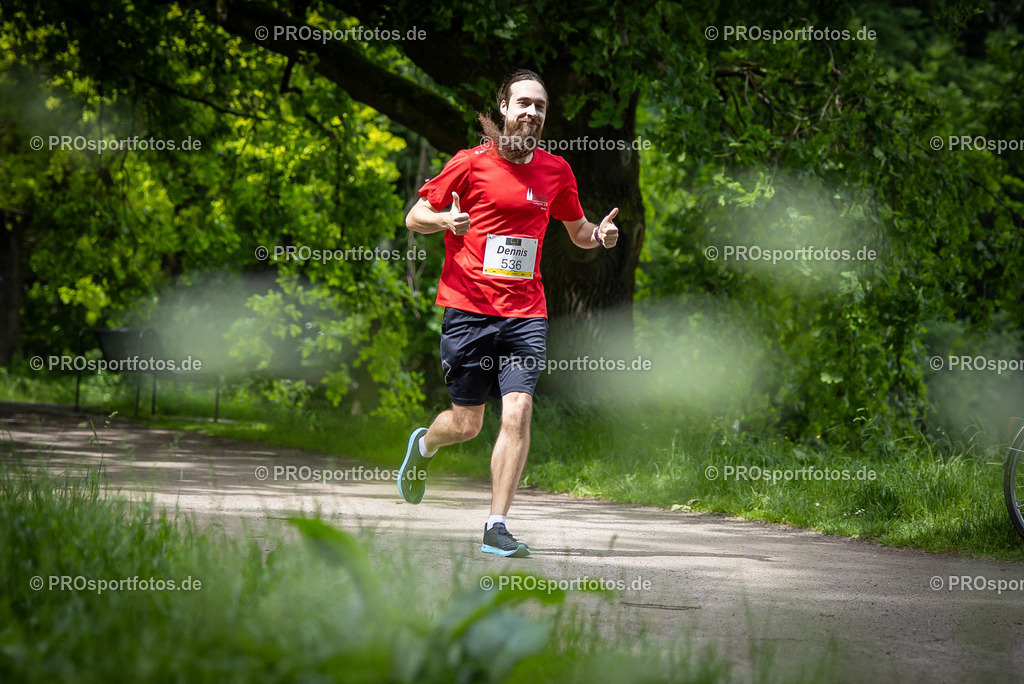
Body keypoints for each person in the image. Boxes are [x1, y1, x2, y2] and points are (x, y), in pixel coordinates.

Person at [398, 68, 619, 557]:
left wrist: (598, 237)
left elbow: (577, 229)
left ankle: (496, 525)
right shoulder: (469, 163)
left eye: (540, 107)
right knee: (467, 424)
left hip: (525, 312)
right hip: (468, 308)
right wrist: (444, 219)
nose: (532, 114)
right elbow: (414, 216)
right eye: (523, 104)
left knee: (518, 409)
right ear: (503, 108)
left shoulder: (557, 171)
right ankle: (424, 447)